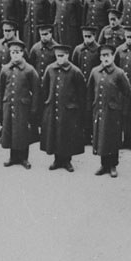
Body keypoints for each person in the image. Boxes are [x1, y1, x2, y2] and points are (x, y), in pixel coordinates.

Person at [86, 42, 131, 177]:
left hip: (113, 112)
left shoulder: (119, 73)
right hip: (99, 110)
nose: (105, 58)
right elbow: (90, 92)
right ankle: (104, 164)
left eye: (108, 55)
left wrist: (123, 111)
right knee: (101, 138)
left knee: (112, 138)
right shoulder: (95, 72)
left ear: (113, 57)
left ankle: (113, 165)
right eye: (102, 56)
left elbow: (127, 93)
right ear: (100, 58)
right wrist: (91, 109)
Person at [39, 42, 86, 172]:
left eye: (62, 56)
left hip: (69, 110)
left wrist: (78, 109)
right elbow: (45, 89)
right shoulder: (50, 69)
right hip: (53, 108)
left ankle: (67, 160)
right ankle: (57, 159)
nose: (60, 59)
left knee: (66, 134)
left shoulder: (75, 72)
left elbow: (81, 93)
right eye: (57, 56)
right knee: (54, 134)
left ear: (68, 56)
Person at [0, 38, 39, 169]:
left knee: (22, 132)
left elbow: (36, 91)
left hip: (23, 106)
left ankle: (24, 158)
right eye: (13, 52)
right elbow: (0, 88)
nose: (15, 55)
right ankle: (13, 157)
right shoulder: (5, 69)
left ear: (22, 53)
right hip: (8, 105)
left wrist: (34, 108)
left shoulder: (29, 70)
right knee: (10, 130)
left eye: (18, 52)